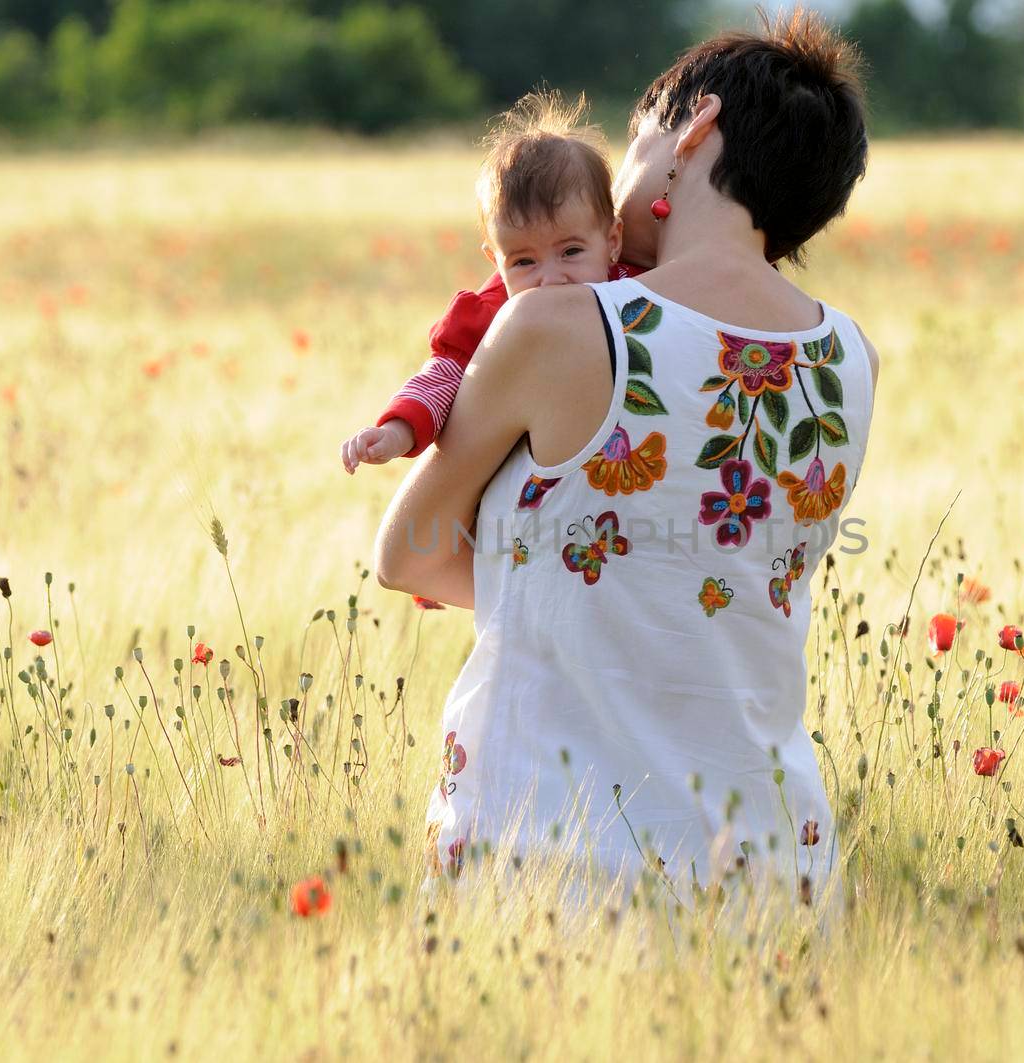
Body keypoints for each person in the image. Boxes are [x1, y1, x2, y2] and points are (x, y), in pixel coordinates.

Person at [374, 10, 878, 904]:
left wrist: (573, 589)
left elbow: (407, 551)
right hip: (782, 877)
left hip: (560, 868)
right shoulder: (851, 358)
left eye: (639, 137)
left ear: (696, 130)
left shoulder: (561, 324)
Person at [340, 91, 643, 470]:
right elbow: (444, 376)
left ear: (611, 242)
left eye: (571, 252)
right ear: (495, 262)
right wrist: (397, 432)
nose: (550, 279)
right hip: (537, 480)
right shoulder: (492, 314)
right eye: (524, 261)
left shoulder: (638, 287)